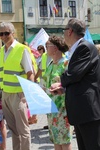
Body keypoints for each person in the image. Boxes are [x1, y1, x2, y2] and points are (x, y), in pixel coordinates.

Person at [50, 18, 100, 150]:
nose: (64, 34)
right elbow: (80, 79)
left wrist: (60, 82)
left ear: (70, 31)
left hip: (87, 110)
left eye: (64, 30)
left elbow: (73, 74)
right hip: (81, 109)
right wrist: (64, 89)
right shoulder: (78, 48)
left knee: (92, 146)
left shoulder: (84, 47)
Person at [0, 22, 34, 150]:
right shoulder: (1, 50)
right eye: (1, 34)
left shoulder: (22, 49)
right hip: (5, 94)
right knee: (13, 130)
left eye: (7, 33)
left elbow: (30, 73)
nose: (4, 36)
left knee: (23, 130)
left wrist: (27, 96)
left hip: (19, 94)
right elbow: (2, 74)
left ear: (13, 33)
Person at [42, 35, 73, 150]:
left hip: (63, 109)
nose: (45, 48)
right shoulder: (51, 64)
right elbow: (45, 83)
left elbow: (71, 85)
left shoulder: (65, 63)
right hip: (51, 109)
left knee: (64, 140)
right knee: (55, 139)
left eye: (47, 45)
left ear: (55, 48)